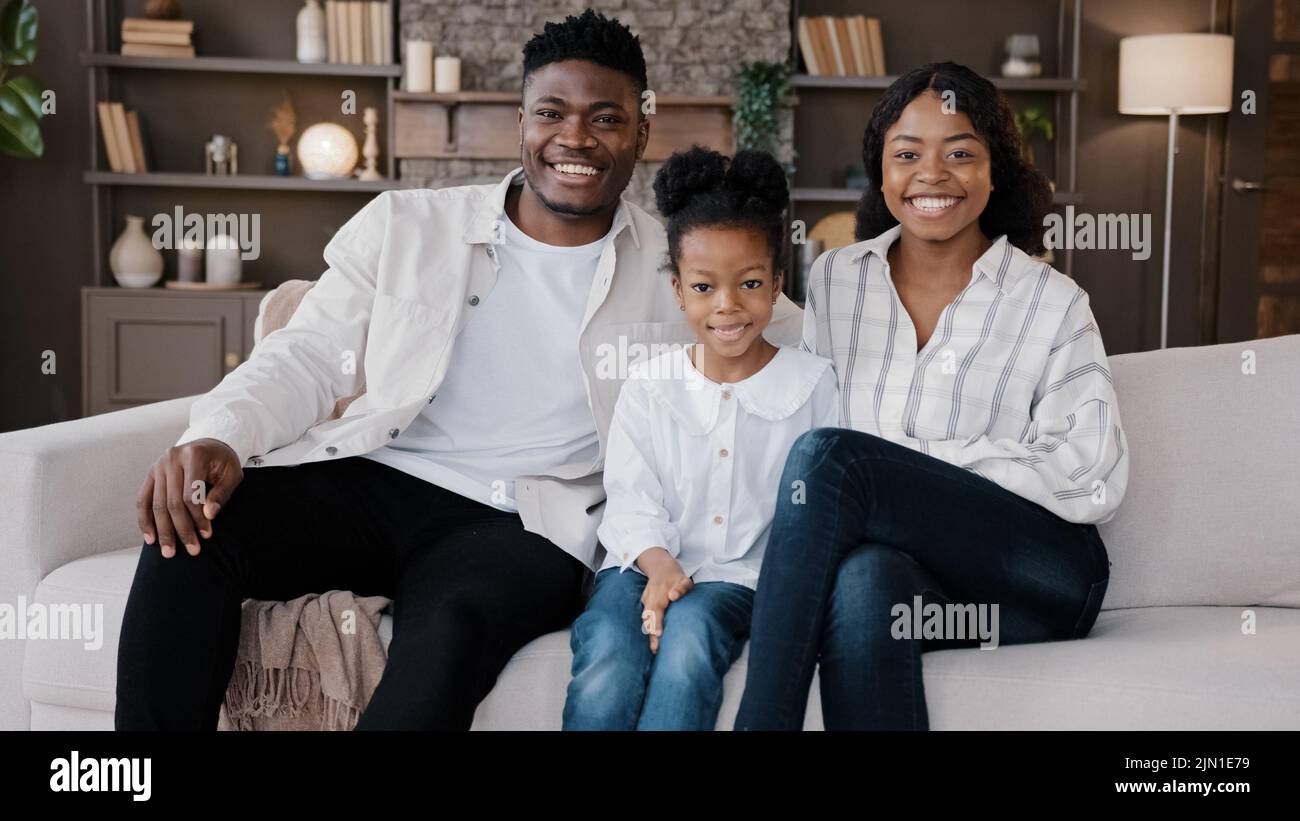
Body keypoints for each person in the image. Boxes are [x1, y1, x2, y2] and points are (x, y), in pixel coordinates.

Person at [115, 9, 802, 731]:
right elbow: (310, 354)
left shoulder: (683, 263)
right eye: (551, 112)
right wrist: (220, 434)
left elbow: (793, 339)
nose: (575, 137)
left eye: (605, 118)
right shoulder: (408, 225)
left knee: (444, 646)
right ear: (521, 122)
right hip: (379, 475)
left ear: (640, 133)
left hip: (525, 524)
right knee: (193, 528)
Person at [734, 62, 1130, 731]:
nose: (932, 174)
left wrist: (912, 473)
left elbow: (1092, 474)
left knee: (834, 459)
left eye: (961, 153)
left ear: (993, 169)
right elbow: (781, 399)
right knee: (864, 583)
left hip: (1042, 576)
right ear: (881, 173)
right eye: (908, 154)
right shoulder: (835, 283)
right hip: (918, 583)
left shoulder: (1051, 301)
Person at [562, 147, 838, 730]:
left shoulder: (815, 386)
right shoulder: (651, 385)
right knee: (608, 651)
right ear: (679, 290)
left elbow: (821, 511)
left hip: (739, 578)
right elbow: (631, 495)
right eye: (705, 287)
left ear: (777, 284)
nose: (728, 306)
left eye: (750, 283)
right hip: (638, 565)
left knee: (688, 643)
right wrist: (659, 567)